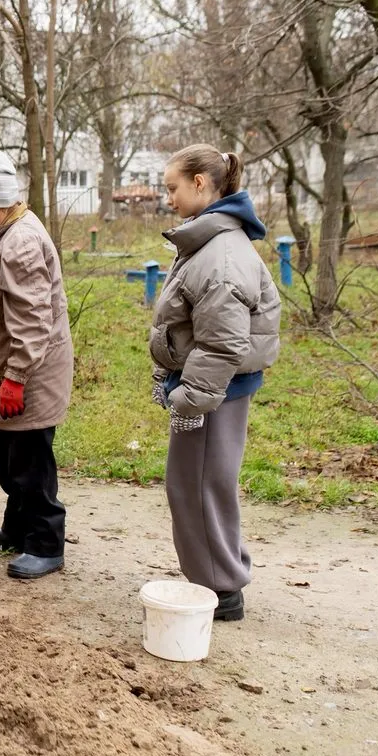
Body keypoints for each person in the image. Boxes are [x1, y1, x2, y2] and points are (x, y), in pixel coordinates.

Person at [150, 144, 280, 622]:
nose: (169, 198)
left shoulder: (221, 255)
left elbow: (223, 344)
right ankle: (217, 576)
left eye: (173, 188)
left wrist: (188, 397)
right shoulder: (208, 241)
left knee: (199, 486)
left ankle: (219, 589)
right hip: (210, 388)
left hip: (212, 394)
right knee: (200, 483)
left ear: (200, 184)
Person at [0, 151, 74, 580]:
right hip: (5, 367)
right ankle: (17, 527)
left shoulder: (22, 243)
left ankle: (45, 544)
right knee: (7, 457)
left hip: (30, 371)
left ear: (3, 204)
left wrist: (16, 378)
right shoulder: (5, 231)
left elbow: (31, 319)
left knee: (29, 463)